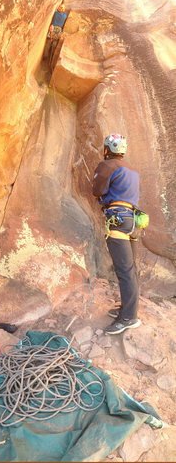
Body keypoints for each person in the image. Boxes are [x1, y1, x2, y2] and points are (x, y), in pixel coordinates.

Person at [92, 133, 141, 335]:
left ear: (107, 150)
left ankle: (129, 317)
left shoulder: (108, 166)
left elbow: (97, 190)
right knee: (130, 269)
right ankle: (127, 310)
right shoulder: (133, 171)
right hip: (132, 220)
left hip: (117, 219)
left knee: (124, 271)